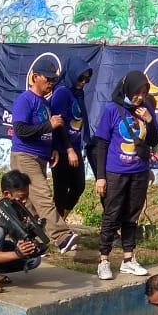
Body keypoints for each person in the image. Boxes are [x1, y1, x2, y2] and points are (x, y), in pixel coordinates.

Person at [92, 71, 158, 280]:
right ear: (128, 89)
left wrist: (150, 121)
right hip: (115, 172)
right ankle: (104, 260)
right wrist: (101, 176)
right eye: (137, 92)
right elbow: (101, 144)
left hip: (138, 172)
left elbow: (154, 140)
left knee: (132, 215)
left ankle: (128, 259)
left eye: (144, 92)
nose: (140, 97)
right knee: (112, 215)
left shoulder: (146, 109)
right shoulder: (112, 109)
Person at [9, 60, 80, 254]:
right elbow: (21, 130)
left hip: (39, 157)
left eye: (54, 80)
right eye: (48, 79)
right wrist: (49, 125)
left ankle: (31, 241)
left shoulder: (45, 102)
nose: (51, 83)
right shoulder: (26, 99)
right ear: (35, 77)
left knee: (30, 204)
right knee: (43, 195)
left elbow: (47, 131)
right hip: (25, 156)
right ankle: (62, 237)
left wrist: (52, 150)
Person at [49, 57, 92, 218]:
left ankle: (60, 220)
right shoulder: (62, 93)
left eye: (87, 79)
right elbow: (58, 123)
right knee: (61, 189)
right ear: (72, 74)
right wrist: (68, 149)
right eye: (81, 78)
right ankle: (57, 230)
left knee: (79, 186)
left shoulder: (77, 94)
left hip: (74, 148)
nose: (83, 82)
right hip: (61, 149)